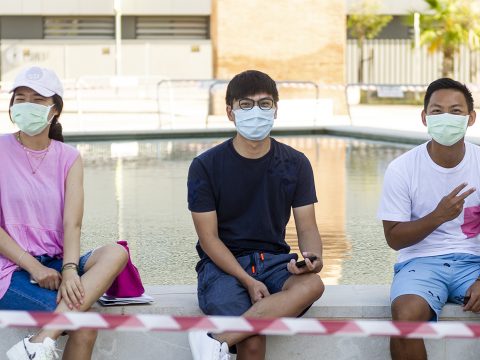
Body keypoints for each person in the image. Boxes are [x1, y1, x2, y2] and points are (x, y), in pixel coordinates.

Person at [187, 69, 325, 360]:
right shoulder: (205, 166)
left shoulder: (296, 163)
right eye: (246, 105)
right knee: (252, 339)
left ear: (276, 110)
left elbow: (307, 226)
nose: (256, 111)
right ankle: (225, 341)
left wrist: (313, 258)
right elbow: (209, 239)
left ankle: (216, 341)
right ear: (230, 112)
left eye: (264, 104)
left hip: (274, 263)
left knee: (313, 283)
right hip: (223, 267)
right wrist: (247, 280)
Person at [0, 66, 128, 360]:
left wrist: (69, 269)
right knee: (84, 323)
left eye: (38, 99)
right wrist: (34, 267)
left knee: (116, 253)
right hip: (10, 268)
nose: (27, 106)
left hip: (57, 262)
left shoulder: (69, 157)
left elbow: (72, 223)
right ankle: (39, 344)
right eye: (20, 99)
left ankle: (40, 341)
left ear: (55, 109)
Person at [378, 78, 480, 360]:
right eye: (437, 111)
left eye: (456, 111)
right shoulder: (402, 168)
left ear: (471, 118)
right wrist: (438, 216)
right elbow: (393, 237)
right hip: (420, 263)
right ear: (424, 117)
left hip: (475, 262)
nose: (446, 118)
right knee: (405, 318)